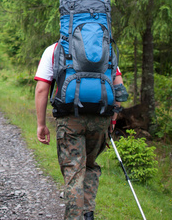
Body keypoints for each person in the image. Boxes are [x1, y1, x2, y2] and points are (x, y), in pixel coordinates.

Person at [34, 43, 124, 220]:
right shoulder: (104, 47)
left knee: (74, 171)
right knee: (90, 165)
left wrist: (41, 124)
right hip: (100, 117)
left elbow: (42, 88)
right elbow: (119, 86)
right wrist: (113, 120)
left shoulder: (55, 49)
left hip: (69, 119)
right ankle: (88, 214)